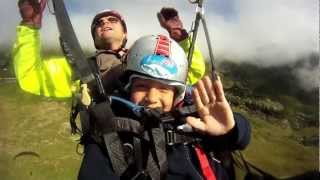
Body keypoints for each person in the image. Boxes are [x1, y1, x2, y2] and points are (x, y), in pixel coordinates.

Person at [78, 34, 251, 180]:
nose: (152, 98)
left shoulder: (196, 118)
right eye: (142, 87)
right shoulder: (112, 128)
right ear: (128, 88)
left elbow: (241, 138)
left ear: (177, 96)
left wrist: (232, 130)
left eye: (163, 89)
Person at [13, 0, 205, 99]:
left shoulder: (148, 58)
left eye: (112, 20)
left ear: (125, 34)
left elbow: (192, 71)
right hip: (105, 155)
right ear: (95, 37)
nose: (104, 23)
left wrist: (181, 39)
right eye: (98, 23)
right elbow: (30, 77)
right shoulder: (79, 69)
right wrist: (29, 26)